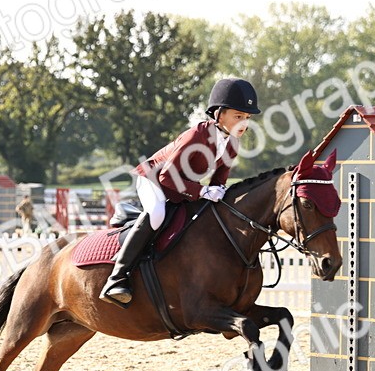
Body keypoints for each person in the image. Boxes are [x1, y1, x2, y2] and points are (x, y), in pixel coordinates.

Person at [100, 77, 259, 306]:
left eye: (247, 118)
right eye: (238, 116)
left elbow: (219, 181)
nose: (243, 124)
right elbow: (166, 176)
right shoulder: (197, 135)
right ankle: (117, 277)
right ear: (218, 114)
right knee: (156, 214)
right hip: (153, 178)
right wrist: (203, 191)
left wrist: (219, 193)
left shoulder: (232, 144)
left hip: (182, 187)